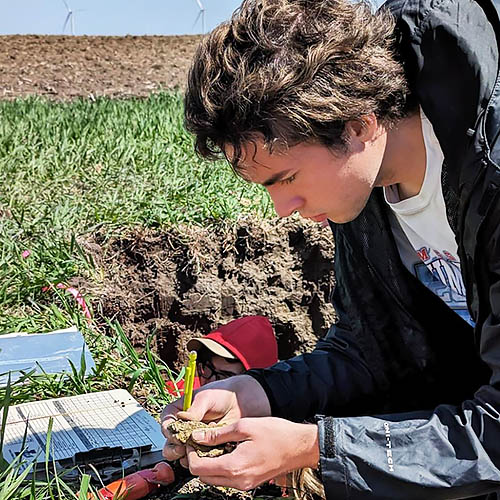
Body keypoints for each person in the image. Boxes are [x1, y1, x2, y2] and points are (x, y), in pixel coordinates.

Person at [161, 0, 500, 498]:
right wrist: (258, 392)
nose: (282, 210)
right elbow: (373, 349)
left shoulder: (492, 179)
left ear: (359, 124)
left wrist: (317, 447)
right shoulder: (361, 183)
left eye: (287, 178)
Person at [166, 315, 278, 395]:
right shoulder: (181, 393)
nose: (210, 383)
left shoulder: (271, 419)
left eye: (225, 376)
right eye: (208, 367)